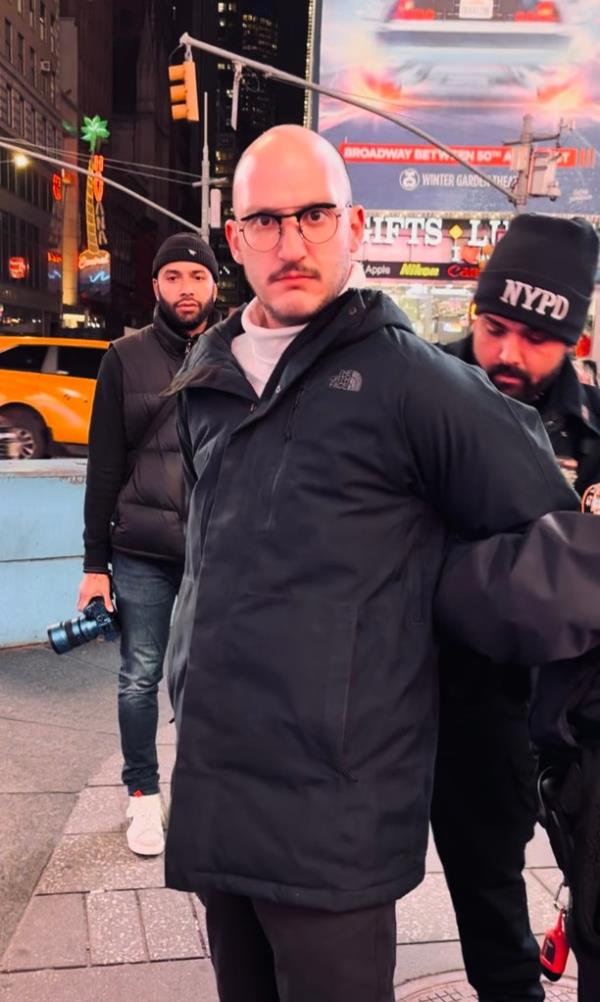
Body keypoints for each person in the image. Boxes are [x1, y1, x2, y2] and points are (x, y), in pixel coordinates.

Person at [163, 125, 600, 1002]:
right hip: (219, 787)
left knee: (490, 926)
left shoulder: (420, 385)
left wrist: (430, 587)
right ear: (234, 238)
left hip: (341, 806)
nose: (292, 243)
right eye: (266, 221)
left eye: (315, 215)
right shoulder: (205, 377)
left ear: (355, 225)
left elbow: (564, 557)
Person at [431, 213, 600, 1002]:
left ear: (575, 340)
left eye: (537, 337)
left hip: (540, 720)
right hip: (414, 691)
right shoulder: (424, 389)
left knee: (507, 910)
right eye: (495, 327)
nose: (508, 353)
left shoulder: (593, 423)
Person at [77, 232, 220, 856]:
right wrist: (94, 565)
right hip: (140, 550)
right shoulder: (124, 358)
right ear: (156, 285)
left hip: (219, 551)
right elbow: (104, 466)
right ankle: (142, 796)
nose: (185, 288)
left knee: (216, 680)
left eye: (196, 275)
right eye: (172, 277)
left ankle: (205, 794)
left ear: (215, 283)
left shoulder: (242, 352)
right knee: (139, 677)